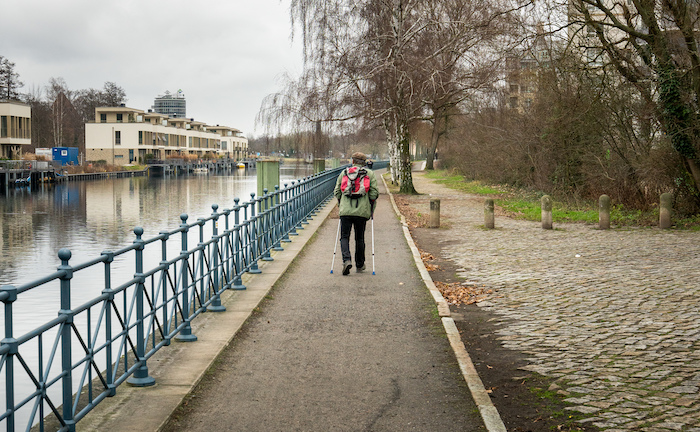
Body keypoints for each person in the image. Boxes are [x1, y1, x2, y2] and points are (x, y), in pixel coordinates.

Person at [334, 152, 379, 275]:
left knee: (344, 236)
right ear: (364, 163)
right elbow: (374, 193)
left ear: (352, 161)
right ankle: (360, 264)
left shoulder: (344, 173)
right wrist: (371, 207)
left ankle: (346, 260)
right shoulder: (369, 174)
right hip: (362, 211)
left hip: (345, 211)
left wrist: (341, 204)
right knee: (359, 238)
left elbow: (337, 191)